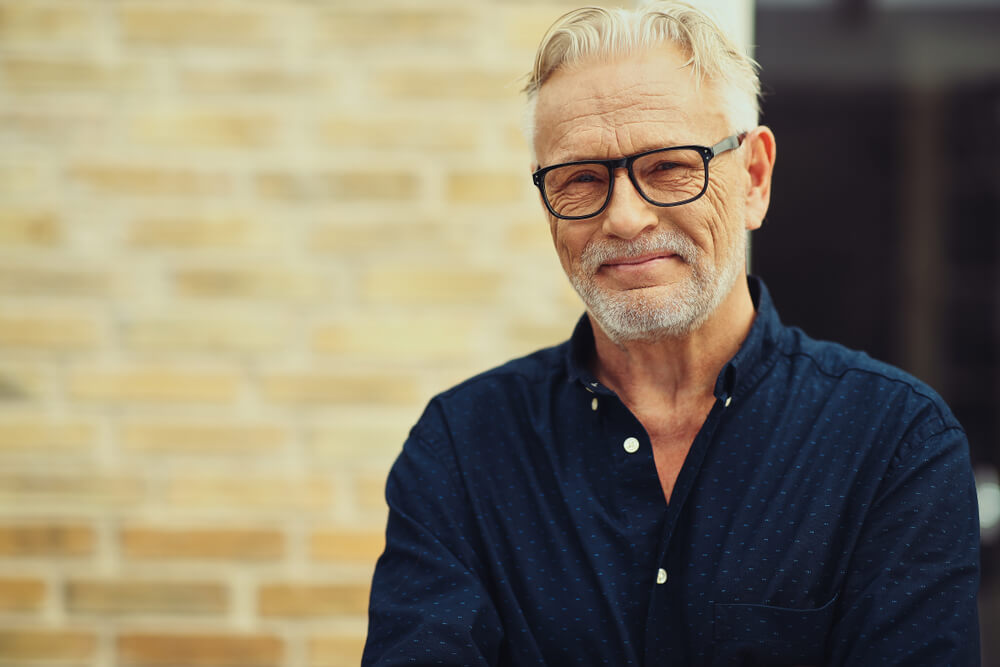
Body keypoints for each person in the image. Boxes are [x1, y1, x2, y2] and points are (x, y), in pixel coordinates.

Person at [362, 2, 981, 664]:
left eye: (668, 167)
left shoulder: (892, 443)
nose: (626, 218)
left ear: (753, 177)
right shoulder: (462, 449)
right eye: (580, 178)